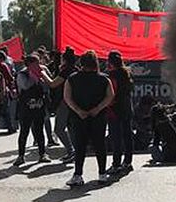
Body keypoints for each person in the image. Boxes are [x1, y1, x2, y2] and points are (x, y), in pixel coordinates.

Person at [63, 50, 114, 186]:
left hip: (79, 117)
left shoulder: (72, 78)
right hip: (98, 116)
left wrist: (78, 111)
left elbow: (67, 97)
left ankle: (78, 175)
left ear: (82, 63)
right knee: (100, 145)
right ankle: (102, 174)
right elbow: (110, 96)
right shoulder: (104, 79)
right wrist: (97, 109)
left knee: (80, 146)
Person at [13, 55, 53, 166]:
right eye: (36, 63)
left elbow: (47, 86)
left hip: (38, 106)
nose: (38, 65)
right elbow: (24, 87)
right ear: (29, 65)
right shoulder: (22, 74)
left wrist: (42, 77)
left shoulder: (42, 72)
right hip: (26, 107)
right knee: (24, 132)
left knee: (39, 130)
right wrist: (33, 77)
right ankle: (21, 156)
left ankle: (42, 154)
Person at [106, 51, 135, 175]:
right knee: (128, 135)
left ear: (110, 62)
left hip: (115, 109)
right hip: (127, 107)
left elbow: (111, 93)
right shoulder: (126, 74)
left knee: (116, 137)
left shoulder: (111, 75)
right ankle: (128, 161)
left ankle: (116, 164)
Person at [49, 48, 77, 162]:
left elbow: (53, 84)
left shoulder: (66, 71)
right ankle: (73, 151)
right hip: (72, 102)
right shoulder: (75, 69)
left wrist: (43, 73)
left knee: (59, 129)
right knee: (70, 128)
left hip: (64, 102)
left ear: (64, 60)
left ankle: (71, 151)